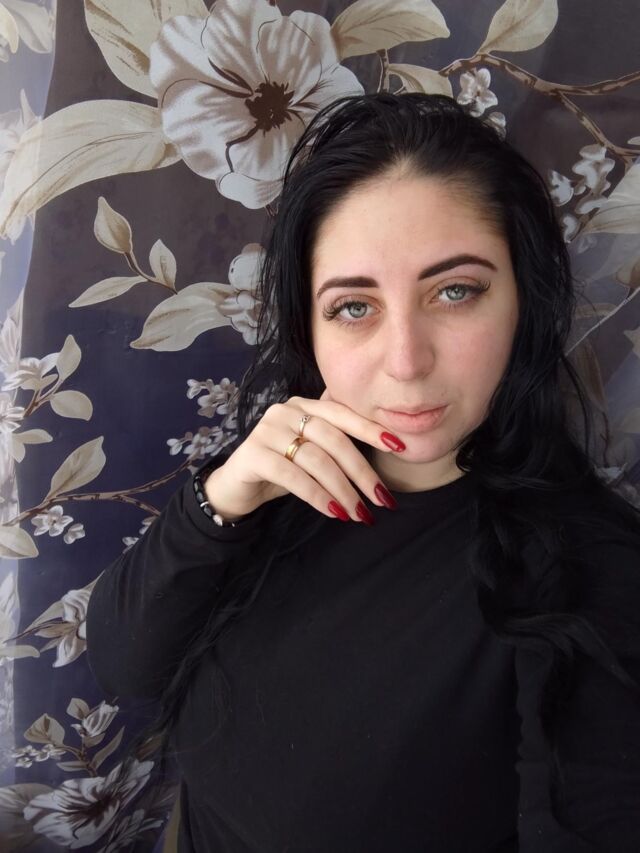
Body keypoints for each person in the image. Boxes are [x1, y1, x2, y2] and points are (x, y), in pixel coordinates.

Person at [85, 92, 640, 853]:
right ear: (308, 329)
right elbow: (126, 667)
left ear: (524, 302)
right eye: (353, 307)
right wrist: (220, 503)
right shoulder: (271, 482)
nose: (406, 361)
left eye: (455, 291)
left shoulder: (590, 577)